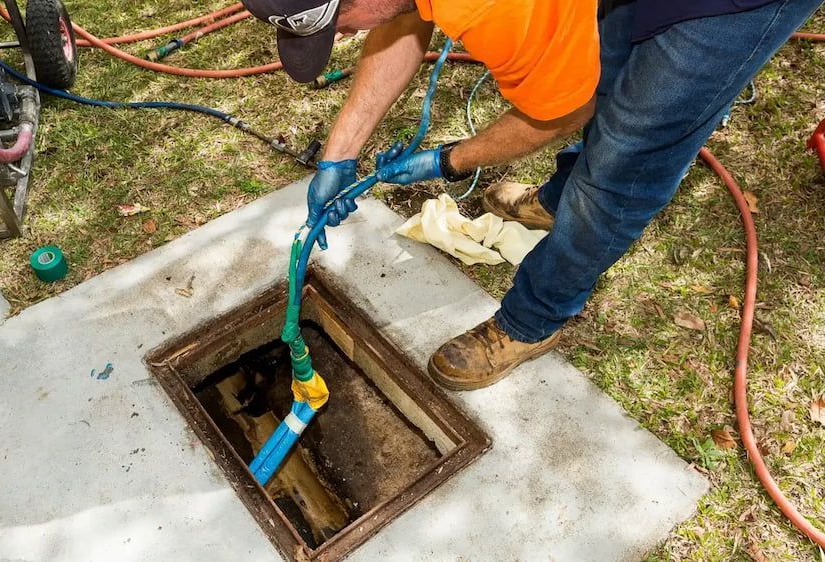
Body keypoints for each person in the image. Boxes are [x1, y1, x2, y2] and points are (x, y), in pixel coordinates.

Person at [241, 0, 822, 391]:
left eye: (336, 24)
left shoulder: (492, 7)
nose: (341, 37)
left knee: (629, 153)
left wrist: (448, 160)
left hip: (725, 6)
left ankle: (533, 321)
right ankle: (559, 198)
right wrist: (338, 154)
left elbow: (562, 110)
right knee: (603, 62)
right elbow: (398, 17)